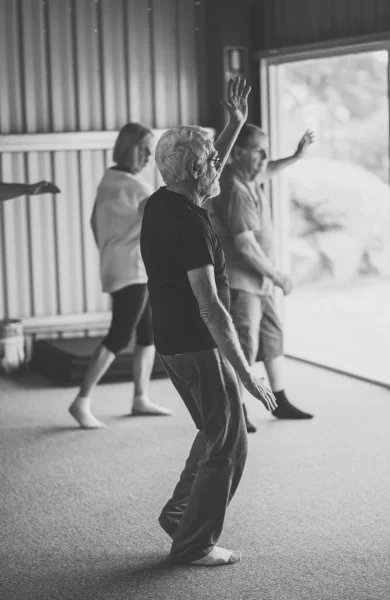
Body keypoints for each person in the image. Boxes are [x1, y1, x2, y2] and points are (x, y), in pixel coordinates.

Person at [140, 77, 277, 567]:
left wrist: (234, 124)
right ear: (197, 170)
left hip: (172, 344)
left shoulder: (165, 201)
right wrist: (246, 373)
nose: (220, 162)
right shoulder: (191, 223)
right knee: (229, 442)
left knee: (212, 430)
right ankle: (195, 541)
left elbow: (199, 167)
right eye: (213, 159)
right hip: (199, 344)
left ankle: (181, 514)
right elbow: (211, 306)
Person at [207, 123, 315, 433]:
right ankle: (236, 409)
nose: (265, 158)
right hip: (244, 282)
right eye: (259, 151)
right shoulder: (235, 188)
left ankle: (278, 400)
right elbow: (246, 246)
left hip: (259, 281)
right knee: (243, 346)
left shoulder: (250, 176)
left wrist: (296, 156)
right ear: (238, 154)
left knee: (271, 337)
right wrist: (278, 274)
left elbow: (269, 169)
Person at [69, 122, 172, 429]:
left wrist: (109, 246)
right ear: (130, 148)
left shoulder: (109, 179)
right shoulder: (136, 186)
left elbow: (93, 220)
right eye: (144, 149)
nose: (148, 155)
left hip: (122, 264)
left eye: (150, 149)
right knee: (120, 334)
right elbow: (163, 216)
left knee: (147, 333)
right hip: (132, 268)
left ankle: (140, 397)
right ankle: (81, 401)